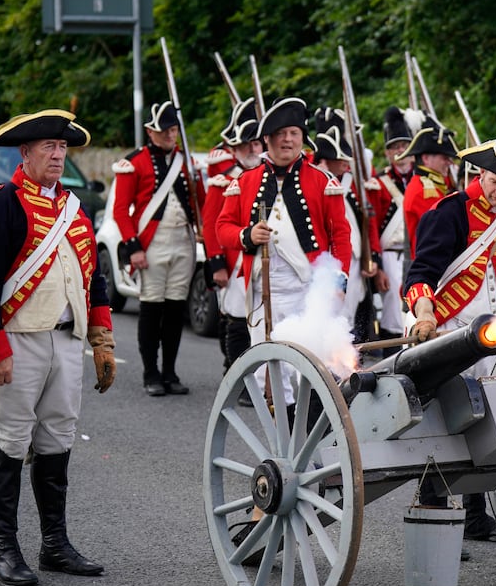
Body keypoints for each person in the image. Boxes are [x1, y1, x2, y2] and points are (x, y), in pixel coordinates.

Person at [0, 109, 116, 586]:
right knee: (10, 441)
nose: (57, 154)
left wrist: (101, 339)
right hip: (18, 342)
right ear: (25, 153)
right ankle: (5, 550)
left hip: (67, 341)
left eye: (62, 147)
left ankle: (54, 545)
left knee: (57, 439)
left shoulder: (74, 208)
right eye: (48, 147)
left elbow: (94, 280)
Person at [404, 138, 496, 549]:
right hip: (445, 329)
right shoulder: (449, 212)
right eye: (495, 182)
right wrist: (426, 313)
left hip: (490, 335)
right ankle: (433, 511)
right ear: (479, 175)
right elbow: (420, 274)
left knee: (485, 420)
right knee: (442, 422)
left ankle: (475, 516)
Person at [216, 96, 352, 399]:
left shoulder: (321, 181)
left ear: (302, 139)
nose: (287, 140)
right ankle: (286, 431)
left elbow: (340, 237)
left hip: (308, 288)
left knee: (310, 367)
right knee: (270, 372)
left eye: (293, 133)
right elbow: (222, 229)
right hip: (263, 291)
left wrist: (336, 281)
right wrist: (247, 235)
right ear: (267, 139)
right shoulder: (245, 181)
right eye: (280, 134)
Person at [112, 101, 202, 396]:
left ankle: (170, 372)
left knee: (176, 310)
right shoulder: (134, 162)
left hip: (182, 242)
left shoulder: (185, 160)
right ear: (151, 131)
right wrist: (134, 247)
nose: (170, 135)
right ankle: (151, 372)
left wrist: (198, 177)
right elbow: (121, 211)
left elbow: (199, 203)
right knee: (151, 309)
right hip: (151, 245)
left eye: (173, 130)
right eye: (164, 130)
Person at [311, 107, 384, 345]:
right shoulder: (313, 181)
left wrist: (371, 257)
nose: (346, 163)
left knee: (348, 315)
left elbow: (367, 220)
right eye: (340, 158)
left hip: (351, 258)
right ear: (325, 159)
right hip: (322, 258)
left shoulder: (354, 182)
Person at [201, 97, 262, 375]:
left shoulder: (268, 177)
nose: (252, 148)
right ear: (235, 148)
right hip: (235, 260)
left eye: (256, 142)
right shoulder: (224, 181)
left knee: (257, 321)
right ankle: (235, 373)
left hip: (262, 260)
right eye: (245, 144)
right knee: (236, 318)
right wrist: (217, 264)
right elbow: (212, 225)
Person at [368, 106, 422, 352]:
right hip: (390, 257)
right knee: (391, 318)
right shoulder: (378, 184)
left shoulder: (423, 180)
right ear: (388, 154)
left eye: (404, 146)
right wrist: (378, 266)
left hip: (419, 254)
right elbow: (372, 227)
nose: (400, 151)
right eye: (394, 147)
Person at [397, 116, 459, 259]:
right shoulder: (424, 190)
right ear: (425, 159)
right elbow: (443, 230)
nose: (449, 163)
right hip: (431, 263)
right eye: (444, 158)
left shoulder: (431, 184)